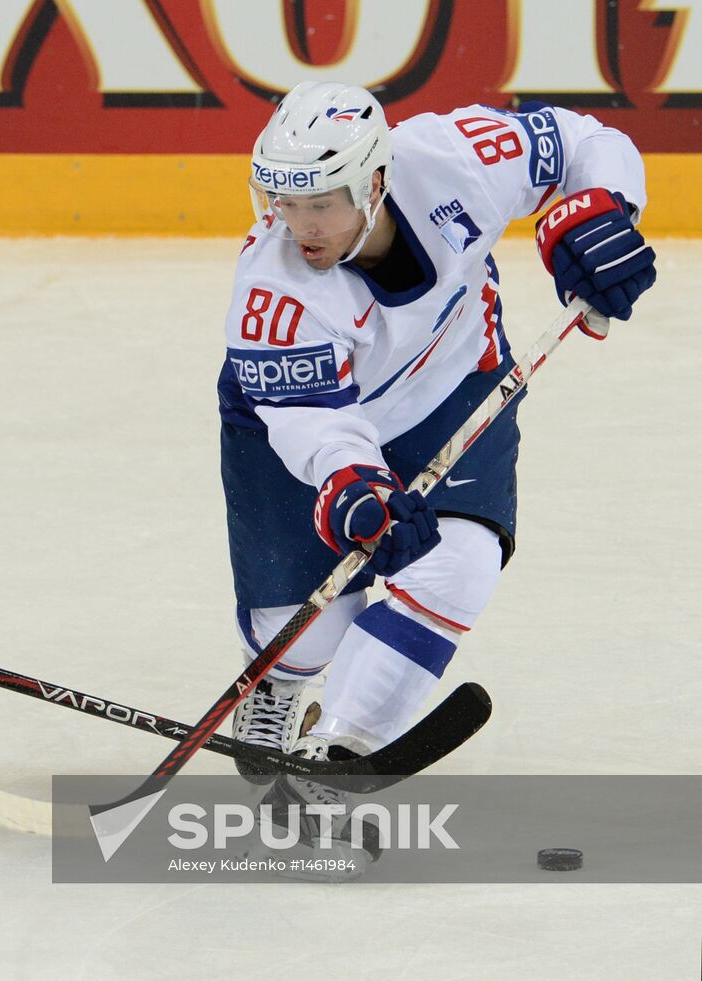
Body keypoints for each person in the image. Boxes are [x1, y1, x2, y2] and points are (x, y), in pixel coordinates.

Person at [218, 82, 655, 857]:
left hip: (453, 386)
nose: (298, 224)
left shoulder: (456, 158)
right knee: (307, 636)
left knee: (461, 564)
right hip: (302, 420)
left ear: (375, 180)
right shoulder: (274, 288)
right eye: (284, 200)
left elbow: (585, 140)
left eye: (321, 202)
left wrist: (604, 208)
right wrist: (352, 485)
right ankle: (283, 685)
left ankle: (335, 761)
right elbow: (312, 421)